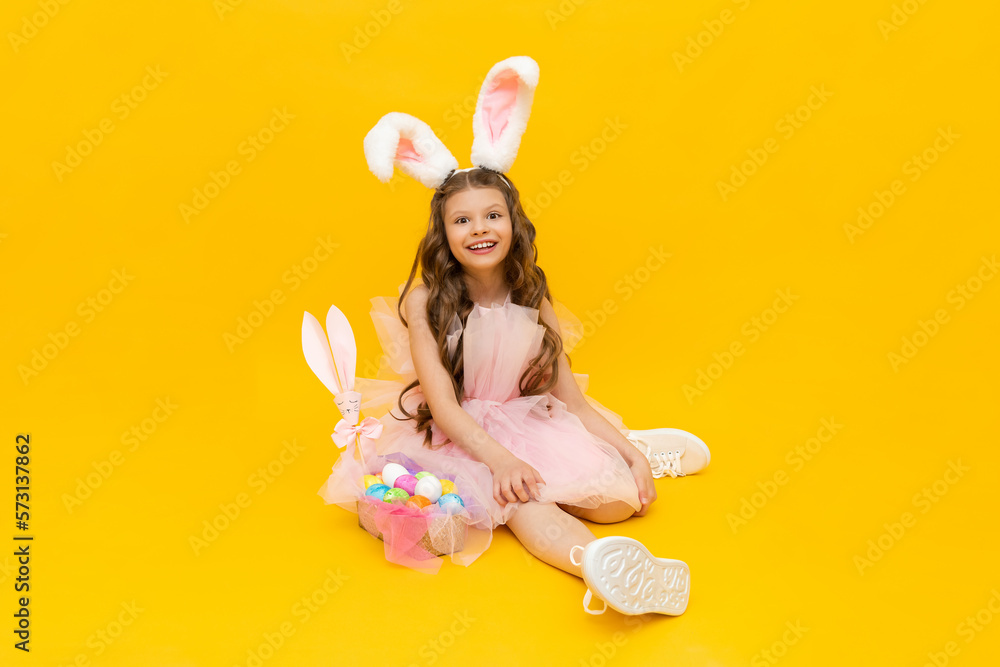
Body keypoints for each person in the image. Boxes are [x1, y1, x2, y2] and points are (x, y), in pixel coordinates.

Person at [316, 56, 710, 616]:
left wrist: (624, 454)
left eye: (491, 215)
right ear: (443, 233)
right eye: (462, 220)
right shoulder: (426, 300)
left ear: (513, 222)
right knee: (519, 505)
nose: (479, 229)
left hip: (528, 419)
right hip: (458, 435)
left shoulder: (530, 290)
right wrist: (500, 462)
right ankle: (604, 568)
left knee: (621, 502)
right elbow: (447, 408)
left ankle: (636, 445)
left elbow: (568, 395)